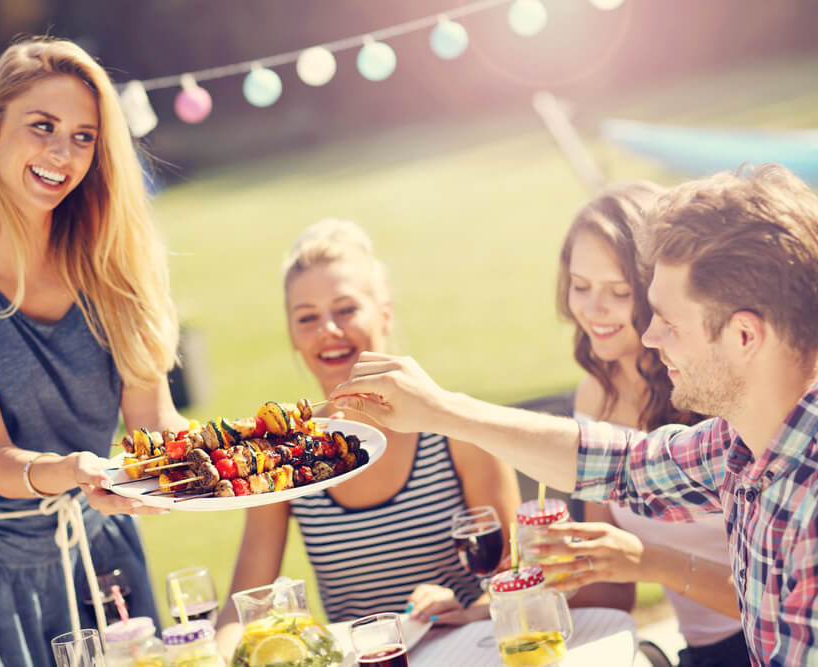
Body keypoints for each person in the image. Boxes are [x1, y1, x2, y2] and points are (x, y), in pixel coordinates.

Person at [329, 164, 818, 666]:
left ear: (743, 336)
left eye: (669, 322)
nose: (651, 337)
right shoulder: (736, 447)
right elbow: (618, 464)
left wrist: (651, 562)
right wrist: (443, 410)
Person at [0, 37, 187, 666]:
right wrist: (75, 470)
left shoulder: (118, 265)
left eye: (83, 137)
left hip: (99, 552)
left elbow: (153, 427)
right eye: (42, 127)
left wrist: (246, 458)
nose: (61, 153)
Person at [215, 220, 522, 653]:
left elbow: (518, 576)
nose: (328, 330)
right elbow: (244, 604)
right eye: (307, 317)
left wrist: (471, 608)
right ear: (292, 335)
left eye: (346, 310)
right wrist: (216, 652)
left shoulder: (453, 429)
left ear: (385, 313)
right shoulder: (281, 460)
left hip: (470, 650)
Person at [540, 182, 749, 666]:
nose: (592, 311)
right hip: (701, 654)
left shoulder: (715, 390)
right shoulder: (596, 391)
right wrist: (504, 600)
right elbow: (611, 590)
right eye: (580, 286)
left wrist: (649, 561)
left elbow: (777, 604)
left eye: (618, 291)